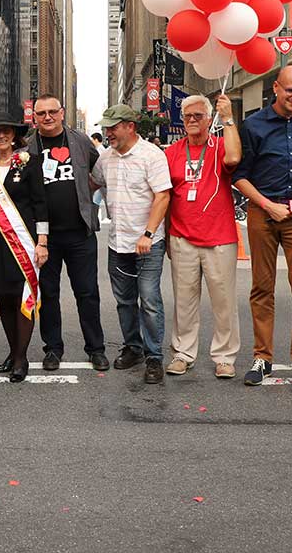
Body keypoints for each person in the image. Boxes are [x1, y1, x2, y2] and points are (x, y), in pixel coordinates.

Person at [234, 65, 292, 394]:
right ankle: (262, 357)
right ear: (276, 88)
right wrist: (267, 205)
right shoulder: (253, 125)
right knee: (262, 287)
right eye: (290, 90)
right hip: (263, 212)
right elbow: (239, 176)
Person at [26, 94, 109, 371]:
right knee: (48, 295)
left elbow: (99, 173)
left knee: (87, 293)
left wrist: (87, 194)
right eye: (41, 113)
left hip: (79, 233)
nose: (47, 117)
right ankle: (52, 349)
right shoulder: (28, 147)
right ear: (34, 117)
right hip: (44, 238)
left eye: (52, 111)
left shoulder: (81, 141)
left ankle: (96, 348)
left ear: (62, 113)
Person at [164, 93, 243, 379]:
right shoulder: (172, 152)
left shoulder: (220, 146)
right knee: (183, 302)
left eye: (198, 115)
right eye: (187, 116)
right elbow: (164, 196)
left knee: (224, 302)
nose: (192, 120)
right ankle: (183, 353)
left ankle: (224, 356)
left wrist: (228, 117)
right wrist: (166, 237)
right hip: (181, 236)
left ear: (209, 119)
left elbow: (234, 158)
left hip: (219, 237)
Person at [92, 104, 171, 384]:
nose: (108, 133)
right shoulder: (106, 158)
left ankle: (154, 356)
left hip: (147, 243)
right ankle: (133, 348)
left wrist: (148, 234)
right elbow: (92, 183)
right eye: (107, 128)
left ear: (130, 126)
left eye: (113, 127)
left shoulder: (152, 155)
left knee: (149, 300)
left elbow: (163, 196)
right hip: (118, 243)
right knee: (124, 301)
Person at [0, 110, 49, 383]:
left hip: (23, 240)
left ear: (15, 134)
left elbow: (40, 203)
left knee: (21, 297)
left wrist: (42, 241)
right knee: (4, 299)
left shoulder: (30, 162)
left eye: (6, 130)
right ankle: (13, 351)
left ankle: (21, 358)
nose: (1, 135)